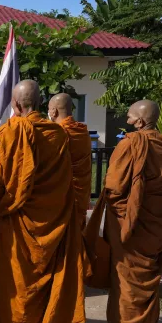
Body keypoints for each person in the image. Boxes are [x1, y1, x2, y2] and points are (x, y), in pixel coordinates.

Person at [0, 80, 85, 323]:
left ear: (15, 105)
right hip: (52, 218)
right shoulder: (57, 134)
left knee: (20, 280)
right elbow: (66, 179)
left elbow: (1, 179)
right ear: (43, 105)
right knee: (46, 276)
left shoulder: (9, 132)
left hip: (19, 218)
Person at [96, 100, 162, 323]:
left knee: (126, 279)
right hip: (155, 223)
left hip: (129, 224)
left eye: (130, 117)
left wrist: (121, 212)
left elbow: (115, 187)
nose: (128, 121)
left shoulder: (130, 144)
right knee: (148, 279)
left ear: (140, 122)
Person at [49, 93, 92, 228]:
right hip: (81, 192)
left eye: (49, 109)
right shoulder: (82, 131)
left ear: (54, 111)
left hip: (63, 193)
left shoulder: (58, 133)